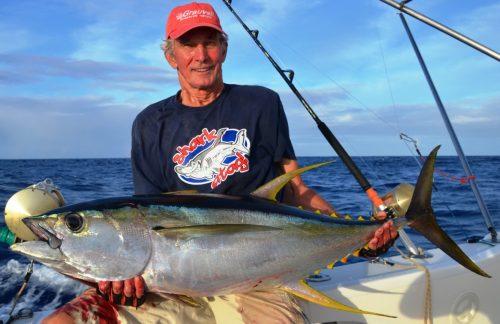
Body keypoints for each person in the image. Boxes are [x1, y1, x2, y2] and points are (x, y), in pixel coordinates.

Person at [42, 2, 397, 323]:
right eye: (188, 45)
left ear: (224, 49)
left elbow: (297, 189)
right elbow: (145, 218)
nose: (201, 56)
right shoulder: (150, 124)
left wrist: (365, 236)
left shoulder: (261, 104)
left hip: (261, 280)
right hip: (170, 283)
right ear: (170, 55)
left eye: (209, 42)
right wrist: (124, 275)